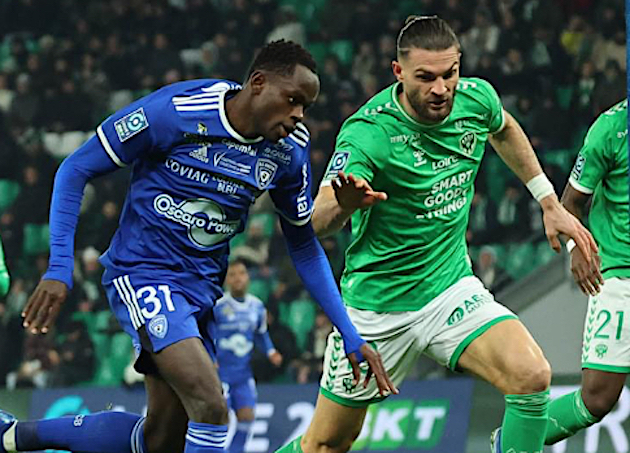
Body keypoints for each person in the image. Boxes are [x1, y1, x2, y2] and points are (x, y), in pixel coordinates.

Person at [0, 40, 394, 453]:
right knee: (211, 407)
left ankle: (13, 435)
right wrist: (59, 267)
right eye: (293, 100)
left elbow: (304, 245)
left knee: (161, 439)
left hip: (201, 290)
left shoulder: (288, 150)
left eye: (306, 107)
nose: (299, 115)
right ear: (258, 83)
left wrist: (348, 332)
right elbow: (76, 167)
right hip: (143, 272)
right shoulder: (176, 111)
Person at [277, 16, 599, 453]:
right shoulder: (369, 132)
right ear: (398, 72)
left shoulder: (475, 99)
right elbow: (316, 220)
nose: (441, 88)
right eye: (426, 77)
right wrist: (346, 204)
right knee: (327, 444)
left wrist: (547, 200)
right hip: (378, 308)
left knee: (531, 375)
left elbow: (503, 128)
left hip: (450, 289)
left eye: (450, 74)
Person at [543, 99, 628, 445]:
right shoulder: (610, 130)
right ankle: (512, 441)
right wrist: (576, 248)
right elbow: (570, 203)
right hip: (619, 275)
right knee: (597, 398)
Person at [213, 259, 283, 453]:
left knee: (247, 416)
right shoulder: (218, 306)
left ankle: (235, 451)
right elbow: (206, 334)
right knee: (220, 418)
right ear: (227, 280)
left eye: (242, 273)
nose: (238, 278)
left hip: (243, 374)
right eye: (232, 275)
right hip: (220, 374)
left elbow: (261, 334)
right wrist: (210, 358)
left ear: (248, 278)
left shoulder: (257, 306)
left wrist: (270, 351)